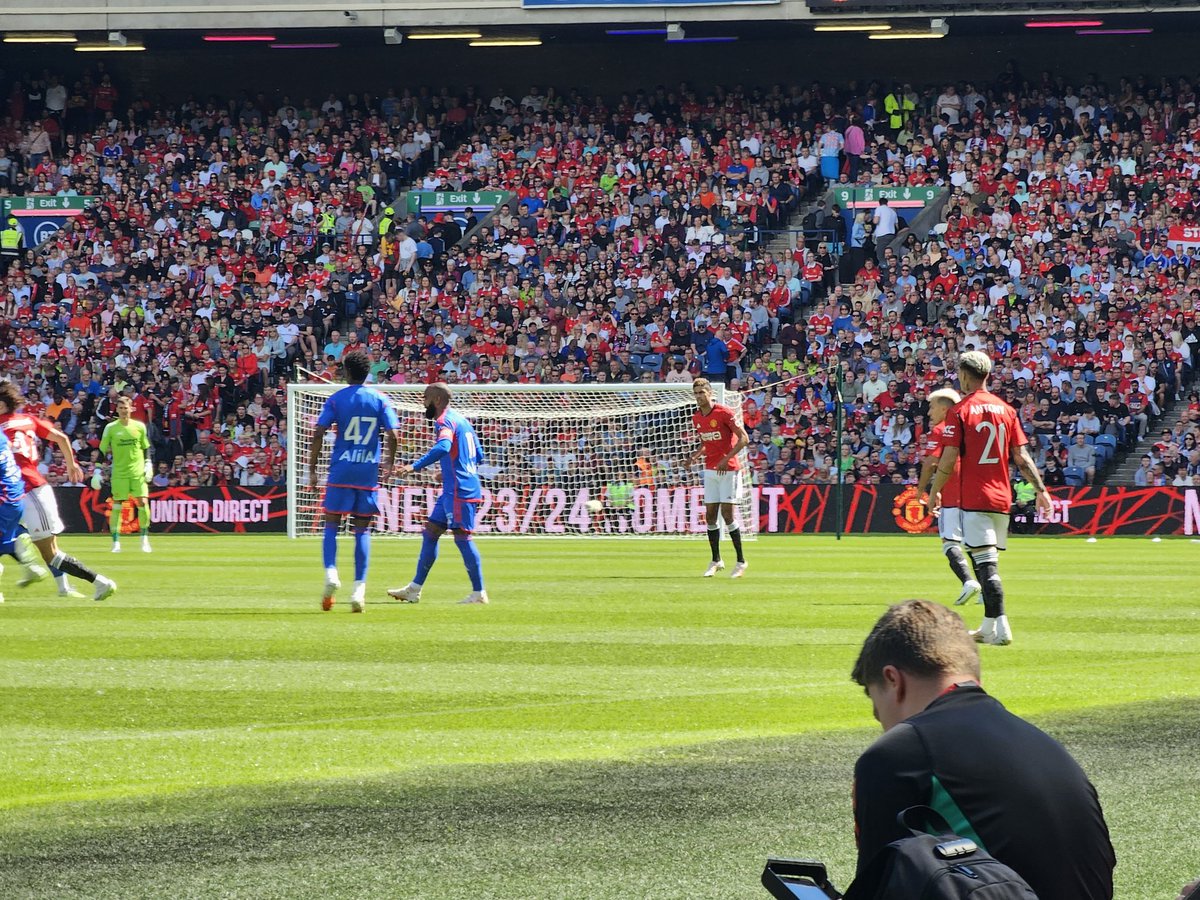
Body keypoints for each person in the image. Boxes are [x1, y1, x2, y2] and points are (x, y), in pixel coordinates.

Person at [850, 600, 1115, 900]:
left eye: (875, 705)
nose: (880, 722)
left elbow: (878, 889)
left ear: (893, 680)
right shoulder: (1039, 742)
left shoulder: (898, 753)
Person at [929, 351, 1052, 645]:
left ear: (964, 375)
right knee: (986, 560)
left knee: (986, 566)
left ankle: (1003, 628)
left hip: (975, 498)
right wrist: (1041, 489)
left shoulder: (960, 411)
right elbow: (1021, 457)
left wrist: (934, 492)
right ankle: (989, 627)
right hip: (1001, 496)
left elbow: (946, 461)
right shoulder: (1006, 410)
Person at [0, 382, 116, 601]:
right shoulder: (29, 420)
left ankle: (100, 582)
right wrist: (72, 465)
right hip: (21, 489)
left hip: (28, 490)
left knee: (51, 553)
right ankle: (58, 583)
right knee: (37, 545)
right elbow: (61, 438)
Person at [307, 349, 400, 612]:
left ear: (346, 372)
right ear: (367, 372)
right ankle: (359, 589)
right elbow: (394, 434)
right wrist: (389, 462)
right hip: (367, 471)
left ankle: (331, 574)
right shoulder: (380, 399)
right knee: (362, 529)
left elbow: (317, 433)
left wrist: (312, 469)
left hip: (341, 470)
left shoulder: (336, 400)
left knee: (331, 524)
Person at [388, 382, 489, 605]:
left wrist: (414, 466)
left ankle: (478, 593)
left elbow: (443, 447)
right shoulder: (463, 421)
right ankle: (414, 589)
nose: (423, 403)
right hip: (454, 488)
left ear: (437, 400)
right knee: (431, 531)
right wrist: (449, 469)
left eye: (425, 399)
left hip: (459, 490)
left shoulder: (444, 421)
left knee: (462, 538)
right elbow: (479, 455)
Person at [915, 387, 980, 606]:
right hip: (974, 491)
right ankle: (985, 589)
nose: (928, 413)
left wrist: (922, 491)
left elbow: (931, 463)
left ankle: (968, 582)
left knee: (949, 541)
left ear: (944, 409)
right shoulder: (968, 428)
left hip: (953, 491)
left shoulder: (942, 430)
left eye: (932, 407)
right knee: (975, 545)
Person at [687, 377, 749, 578]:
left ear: (710, 393)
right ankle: (716, 560)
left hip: (728, 469)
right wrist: (694, 457)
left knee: (728, 515)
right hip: (711, 470)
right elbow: (707, 442)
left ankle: (741, 561)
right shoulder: (697, 418)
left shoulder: (724, 413)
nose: (698, 397)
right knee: (710, 516)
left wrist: (726, 459)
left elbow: (744, 439)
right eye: (696, 393)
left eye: (701, 393)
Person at [96, 396, 154, 554]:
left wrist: (148, 464)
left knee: (142, 503)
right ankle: (115, 542)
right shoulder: (111, 428)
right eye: (120, 408)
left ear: (131, 408)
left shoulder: (139, 426)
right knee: (117, 505)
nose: (123, 411)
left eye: (125, 408)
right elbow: (102, 450)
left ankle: (144, 539)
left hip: (137, 472)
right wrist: (97, 470)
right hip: (119, 473)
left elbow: (145, 447)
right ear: (117, 409)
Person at [0, 428, 50, 602]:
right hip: (15, 497)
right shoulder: (1, 435)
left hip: (4, 500)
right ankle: (28, 563)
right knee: (3, 543)